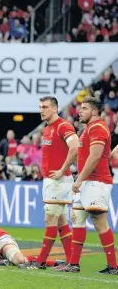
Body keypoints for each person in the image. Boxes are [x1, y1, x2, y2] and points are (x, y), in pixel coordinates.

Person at [59, 97, 117, 274]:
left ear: (94, 111)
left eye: (84, 108)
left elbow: (95, 157)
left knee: (100, 223)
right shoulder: (88, 129)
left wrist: (78, 179)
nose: (80, 111)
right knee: (77, 220)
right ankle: (74, 264)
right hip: (86, 182)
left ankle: (113, 266)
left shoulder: (98, 128)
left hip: (96, 182)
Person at [19, 96, 78, 269]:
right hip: (51, 180)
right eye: (40, 107)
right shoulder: (48, 128)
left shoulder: (63, 126)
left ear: (54, 109)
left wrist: (61, 170)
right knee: (60, 222)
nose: (41, 110)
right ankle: (72, 262)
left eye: (45, 107)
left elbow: (75, 147)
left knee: (49, 219)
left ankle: (40, 261)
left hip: (58, 180)